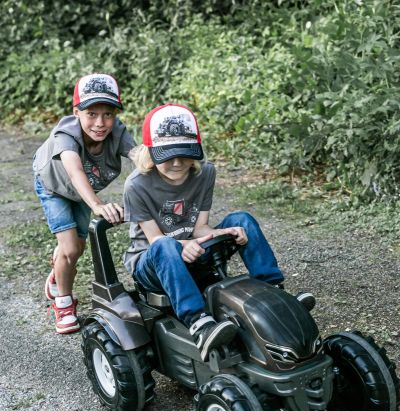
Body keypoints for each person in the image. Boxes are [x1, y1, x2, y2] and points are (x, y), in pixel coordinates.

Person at [123, 103, 314, 361]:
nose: (178, 163)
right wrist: (182, 245)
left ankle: (275, 294)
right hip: (154, 262)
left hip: (194, 248)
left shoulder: (204, 173)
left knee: (242, 219)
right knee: (165, 246)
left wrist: (226, 232)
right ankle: (199, 322)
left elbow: (201, 227)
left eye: (185, 153)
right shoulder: (136, 185)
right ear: (150, 152)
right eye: (167, 155)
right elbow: (155, 239)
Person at [33, 73, 135, 334]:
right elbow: (75, 171)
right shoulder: (66, 134)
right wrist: (98, 205)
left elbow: (140, 156)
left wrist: (166, 166)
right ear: (76, 111)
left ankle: (59, 270)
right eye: (91, 113)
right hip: (54, 186)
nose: (101, 123)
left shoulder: (117, 132)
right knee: (68, 249)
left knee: (76, 250)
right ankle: (63, 303)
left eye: (108, 114)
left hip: (81, 193)